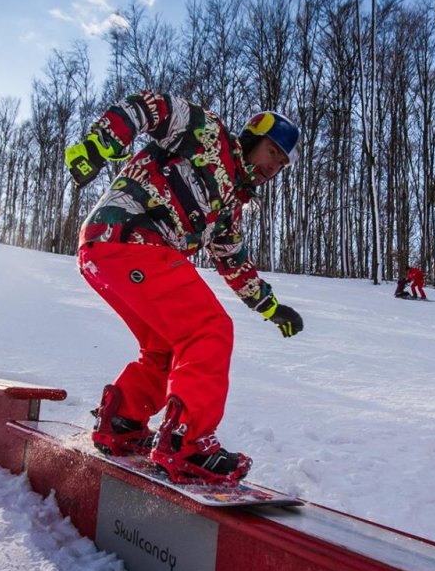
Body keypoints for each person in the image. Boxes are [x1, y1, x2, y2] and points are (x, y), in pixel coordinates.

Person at [67, 91, 303, 485]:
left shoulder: (229, 205)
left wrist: (271, 307)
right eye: (272, 152)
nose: (273, 166)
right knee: (209, 329)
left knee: (165, 345)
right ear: (252, 137)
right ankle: (187, 442)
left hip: (104, 253)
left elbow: (233, 261)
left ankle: (123, 420)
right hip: (129, 239)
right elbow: (151, 106)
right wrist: (99, 143)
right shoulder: (208, 133)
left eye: (281, 163)